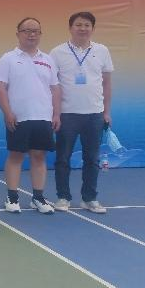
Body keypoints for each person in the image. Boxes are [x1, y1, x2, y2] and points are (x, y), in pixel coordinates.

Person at [0, 17, 61, 214]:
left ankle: (38, 198)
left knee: (39, 156)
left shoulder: (48, 59)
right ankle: (12, 197)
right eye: (27, 30)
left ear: (40, 34)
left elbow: (55, 88)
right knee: (16, 155)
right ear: (18, 34)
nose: (31, 34)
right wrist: (7, 112)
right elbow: (0, 87)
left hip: (43, 117)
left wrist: (56, 114)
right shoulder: (8, 58)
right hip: (19, 117)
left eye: (35, 31)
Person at [50, 11, 114, 214]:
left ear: (92, 29)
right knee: (63, 158)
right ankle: (63, 197)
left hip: (94, 114)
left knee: (92, 159)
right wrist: (56, 113)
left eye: (87, 25)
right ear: (70, 28)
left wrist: (106, 112)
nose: (82, 28)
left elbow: (106, 84)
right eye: (78, 25)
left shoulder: (102, 50)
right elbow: (52, 85)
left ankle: (90, 198)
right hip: (67, 114)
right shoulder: (57, 52)